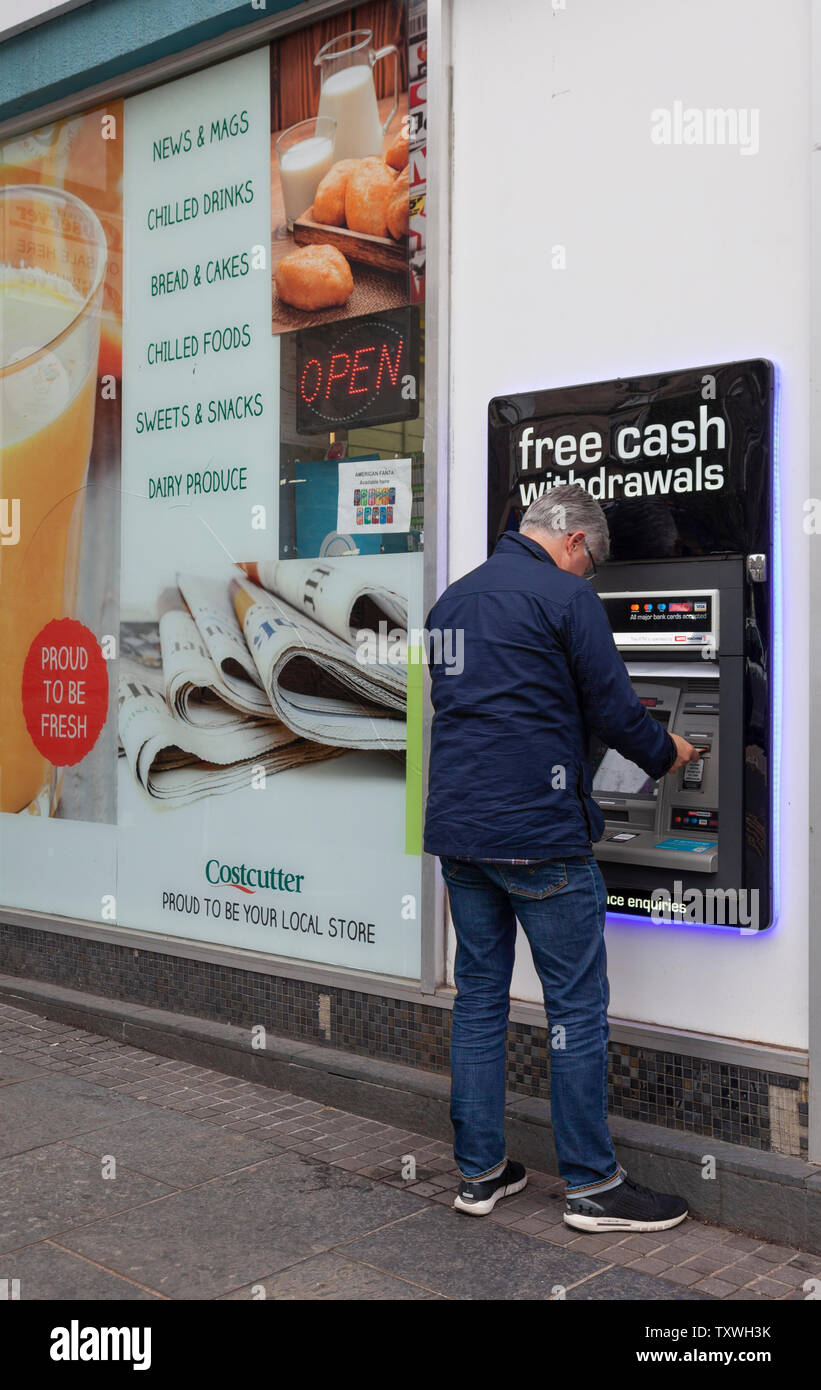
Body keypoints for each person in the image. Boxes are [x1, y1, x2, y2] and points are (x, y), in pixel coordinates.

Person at [423, 483, 701, 1231]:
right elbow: (614, 710)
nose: (585, 580)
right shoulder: (563, 598)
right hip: (538, 834)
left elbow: (462, 707)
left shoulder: (453, 598)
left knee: (479, 997)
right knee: (574, 1006)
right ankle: (591, 1186)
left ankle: (479, 1174)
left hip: (460, 832)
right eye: (589, 566)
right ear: (574, 540)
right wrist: (666, 751)